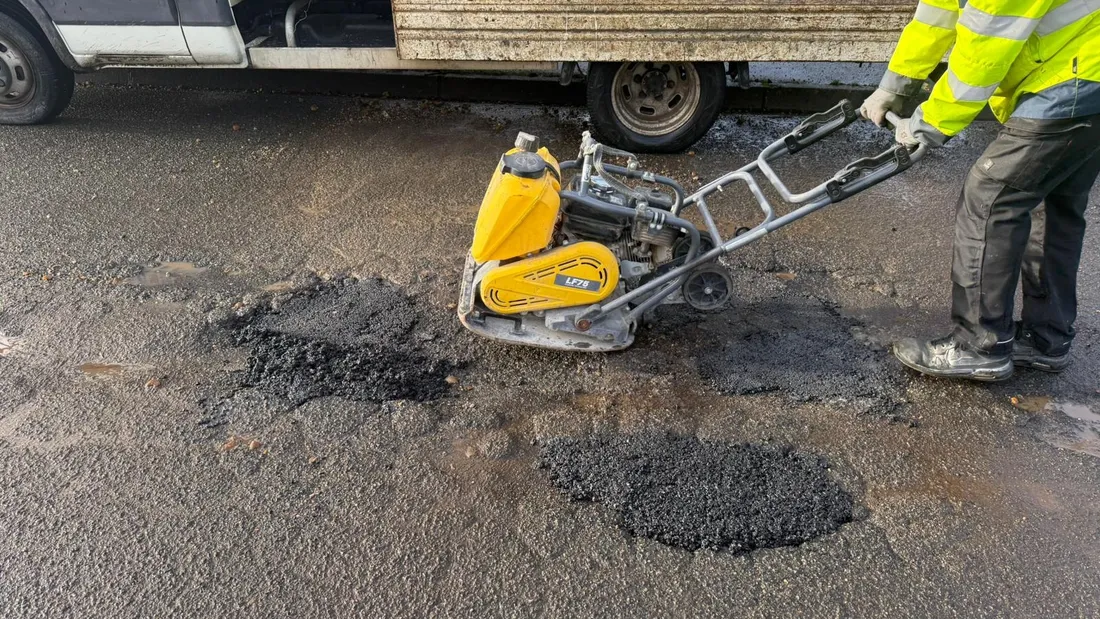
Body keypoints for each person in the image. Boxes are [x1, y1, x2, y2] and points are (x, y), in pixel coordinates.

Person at [860, 0, 1099, 381]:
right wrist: (894, 86)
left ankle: (978, 346)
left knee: (990, 197)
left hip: (1074, 80)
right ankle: (1046, 338)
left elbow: (985, 50)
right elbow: (935, 18)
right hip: (1085, 75)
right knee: (1052, 204)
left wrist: (929, 123)